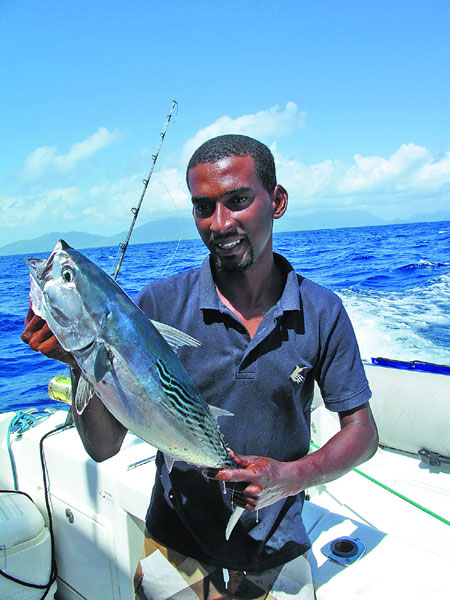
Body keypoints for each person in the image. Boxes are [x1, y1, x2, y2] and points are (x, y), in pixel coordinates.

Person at [22, 134, 379, 600]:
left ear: (277, 201)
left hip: (276, 548)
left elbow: (363, 432)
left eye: (237, 200)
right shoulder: (158, 305)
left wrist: (289, 477)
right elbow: (105, 449)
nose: (221, 223)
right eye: (203, 207)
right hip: (175, 545)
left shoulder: (321, 311)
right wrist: (78, 362)